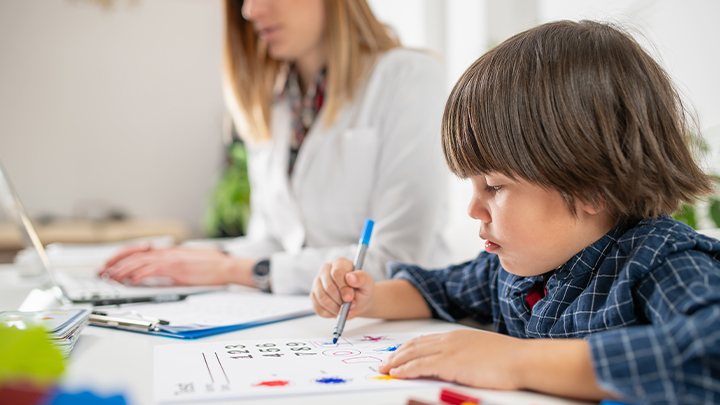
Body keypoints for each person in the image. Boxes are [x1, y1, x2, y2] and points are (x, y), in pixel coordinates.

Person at [311, 20, 720, 404]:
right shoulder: (518, 266)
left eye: (494, 187)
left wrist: (515, 361)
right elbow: (439, 289)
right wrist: (366, 297)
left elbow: (710, 348)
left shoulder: (662, 261)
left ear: (591, 188)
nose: (474, 209)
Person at [98, 0, 451, 294]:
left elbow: (399, 259)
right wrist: (179, 258)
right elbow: (276, 240)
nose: (250, 10)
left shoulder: (409, 77)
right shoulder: (277, 102)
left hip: (399, 326)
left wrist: (233, 268)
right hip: (304, 317)